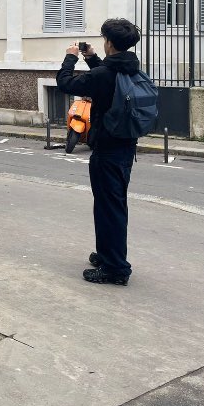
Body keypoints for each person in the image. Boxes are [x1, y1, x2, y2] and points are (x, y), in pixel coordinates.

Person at [55, 18, 142, 287]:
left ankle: (116, 268)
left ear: (110, 43)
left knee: (109, 208)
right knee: (111, 205)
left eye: (104, 39)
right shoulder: (130, 67)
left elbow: (65, 83)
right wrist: (92, 58)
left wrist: (70, 58)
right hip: (125, 147)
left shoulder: (106, 73)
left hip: (107, 150)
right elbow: (105, 80)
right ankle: (108, 255)